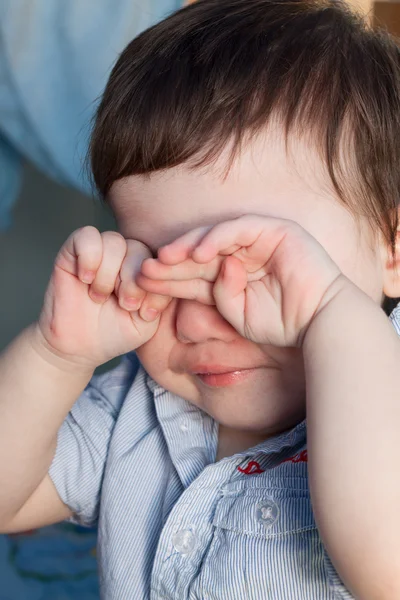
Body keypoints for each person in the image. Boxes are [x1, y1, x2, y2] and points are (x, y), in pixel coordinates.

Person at [0, 0, 400, 598]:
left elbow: (386, 567)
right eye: (158, 267)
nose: (196, 318)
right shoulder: (136, 405)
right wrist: (56, 357)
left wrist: (329, 319)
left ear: (393, 250)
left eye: (256, 264)